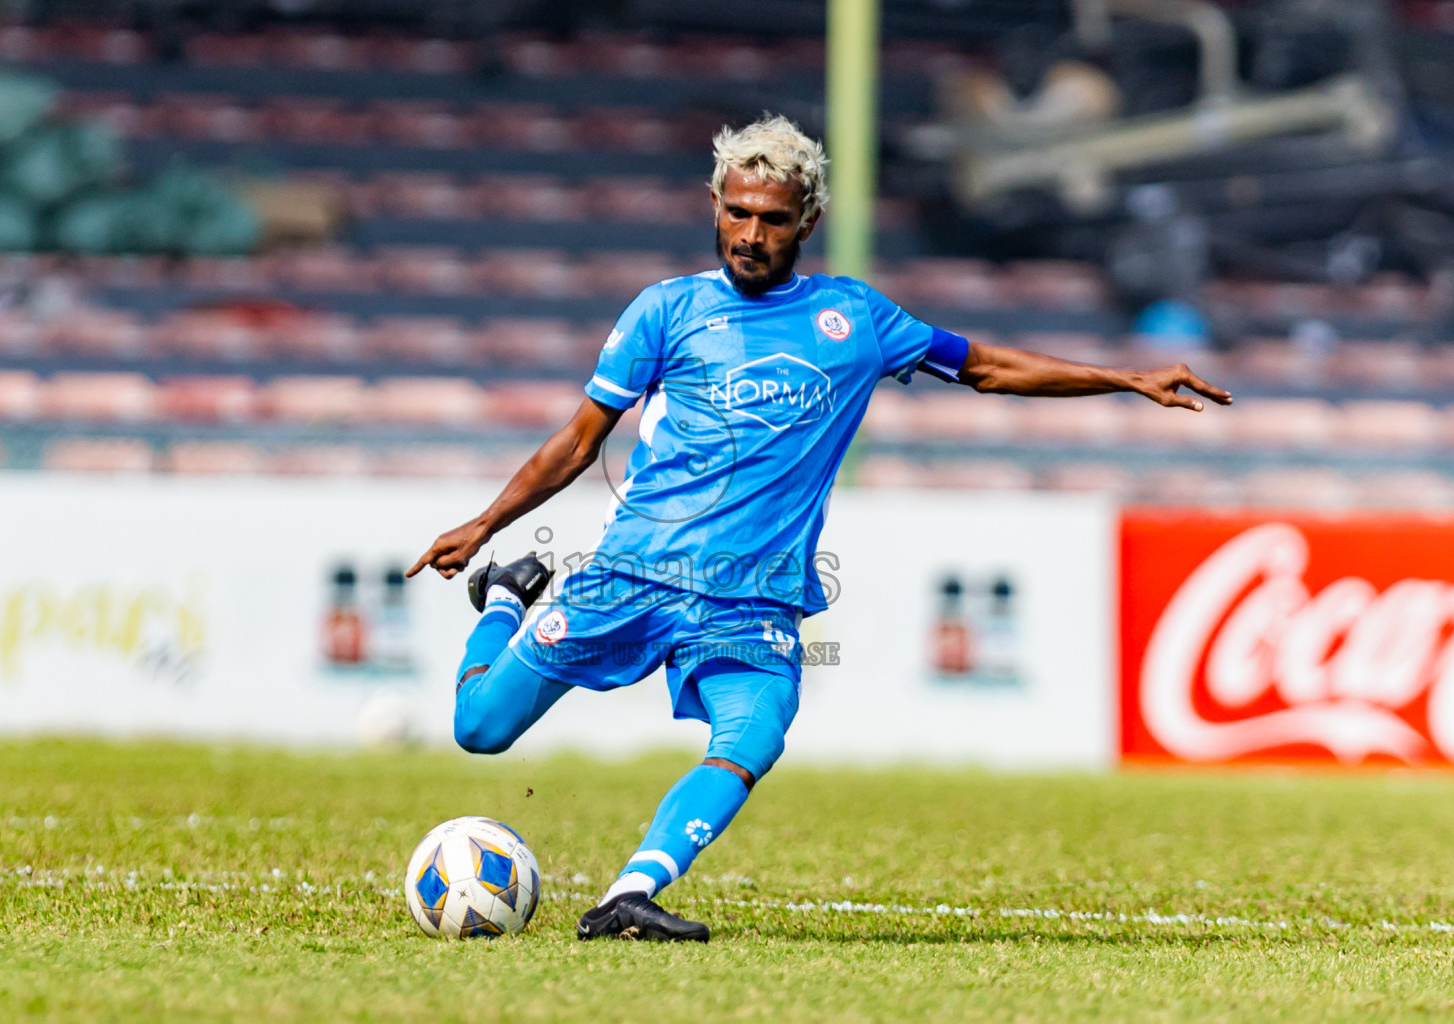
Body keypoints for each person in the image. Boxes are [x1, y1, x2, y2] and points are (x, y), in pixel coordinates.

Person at [406, 114, 1230, 942]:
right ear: (716, 208)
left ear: (807, 222)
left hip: (753, 595)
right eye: (736, 213)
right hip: (634, 572)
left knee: (757, 730)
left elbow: (985, 367)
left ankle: (631, 894)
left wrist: (1124, 378)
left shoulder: (855, 320)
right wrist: (484, 524)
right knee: (479, 730)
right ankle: (508, 601)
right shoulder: (667, 310)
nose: (750, 234)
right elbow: (579, 443)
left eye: (771, 218)